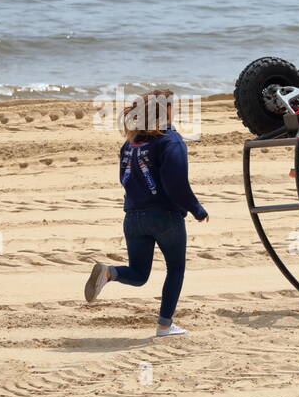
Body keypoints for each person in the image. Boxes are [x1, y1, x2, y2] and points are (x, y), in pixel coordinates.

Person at [84, 89, 208, 336]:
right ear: (165, 111)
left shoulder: (130, 143)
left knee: (139, 274)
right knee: (176, 269)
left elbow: (125, 178)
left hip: (133, 217)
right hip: (165, 217)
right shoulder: (171, 141)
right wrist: (196, 208)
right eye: (173, 107)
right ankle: (164, 325)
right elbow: (176, 184)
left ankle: (110, 272)